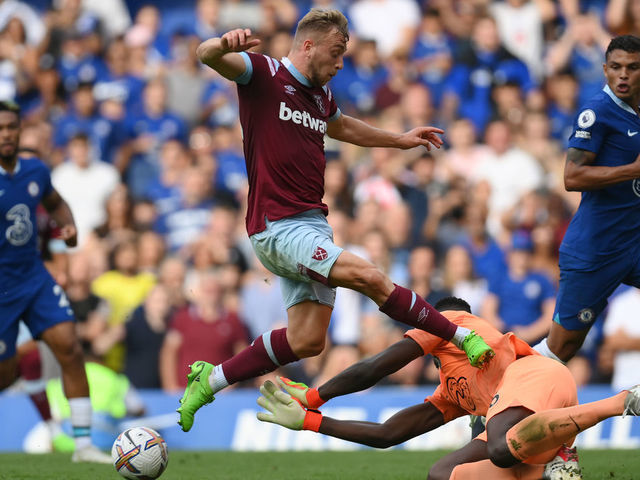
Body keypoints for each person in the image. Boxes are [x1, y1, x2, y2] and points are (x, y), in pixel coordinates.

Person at [176, 8, 494, 433]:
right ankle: (458, 337)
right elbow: (206, 55)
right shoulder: (265, 72)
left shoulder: (320, 97)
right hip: (279, 227)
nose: (342, 63)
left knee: (307, 341)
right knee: (371, 276)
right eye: (337, 52)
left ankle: (210, 379)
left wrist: (399, 141)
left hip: (311, 226)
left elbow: (344, 127)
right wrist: (220, 45)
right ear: (308, 46)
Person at [256, 296, 640, 479]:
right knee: (442, 474)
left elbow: (375, 367)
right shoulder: (451, 389)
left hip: (539, 377)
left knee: (498, 446)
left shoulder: (452, 322)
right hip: (518, 415)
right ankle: (555, 461)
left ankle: (619, 402)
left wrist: (315, 395)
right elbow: (390, 433)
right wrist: (311, 422)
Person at [0, 101, 110, 463]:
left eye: (12, 127)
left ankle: (82, 445)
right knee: (7, 371)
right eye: (0, 129)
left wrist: (70, 228)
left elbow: (56, 203)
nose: (6, 135)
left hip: (34, 276)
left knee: (70, 347)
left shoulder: (35, 171)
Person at [534, 35, 640, 363]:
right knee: (562, 347)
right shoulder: (597, 112)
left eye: (633, 68)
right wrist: (633, 171)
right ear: (605, 70)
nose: (624, 75)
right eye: (617, 68)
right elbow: (572, 177)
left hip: (634, 242)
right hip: (596, 247)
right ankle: (499, 392)